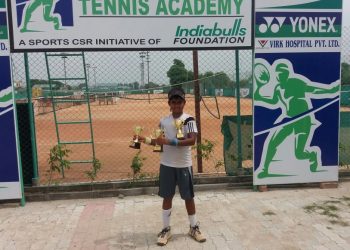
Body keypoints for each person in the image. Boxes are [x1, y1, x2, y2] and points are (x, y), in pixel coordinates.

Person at [135, 87, 206, 246]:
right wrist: (142, 139)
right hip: (166, 164)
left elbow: (192, 140)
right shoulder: (163, 121)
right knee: (167, 197)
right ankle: (166, 229)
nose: (176, 105)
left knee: (188, 197)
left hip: (184, 165)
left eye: (179, 102)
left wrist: (170, 141)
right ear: (169, 103)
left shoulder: (189, 119)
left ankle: (194, 227)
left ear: (184, 103)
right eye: (173, 102)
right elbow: (158, 142)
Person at [254, 60, 339, 178]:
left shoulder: (296, 82)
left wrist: (331, 90)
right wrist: (259, 98)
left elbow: (313, 89)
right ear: (276, 75)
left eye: (284, 72)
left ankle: (312, 155)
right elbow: (274, 102)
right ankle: (264, 169)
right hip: (288, 119)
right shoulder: (278, 88)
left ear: (288, 73)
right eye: (279, 73)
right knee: (272, 142)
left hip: (303, 119)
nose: (281, 75)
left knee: (299, 154)